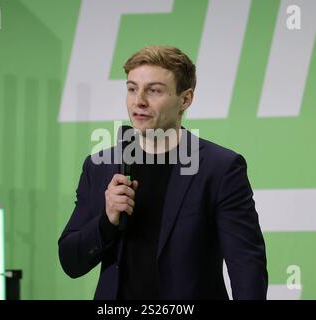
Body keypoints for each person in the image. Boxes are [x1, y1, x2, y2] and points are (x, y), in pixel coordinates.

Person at [58, 45, 268, 300]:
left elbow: (247, 266)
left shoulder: (220, 168)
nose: (139, 101)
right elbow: (71, 262)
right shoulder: (100, 166)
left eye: (154, 90)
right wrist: (107, 220)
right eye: (132, 88)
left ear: (186, 99)